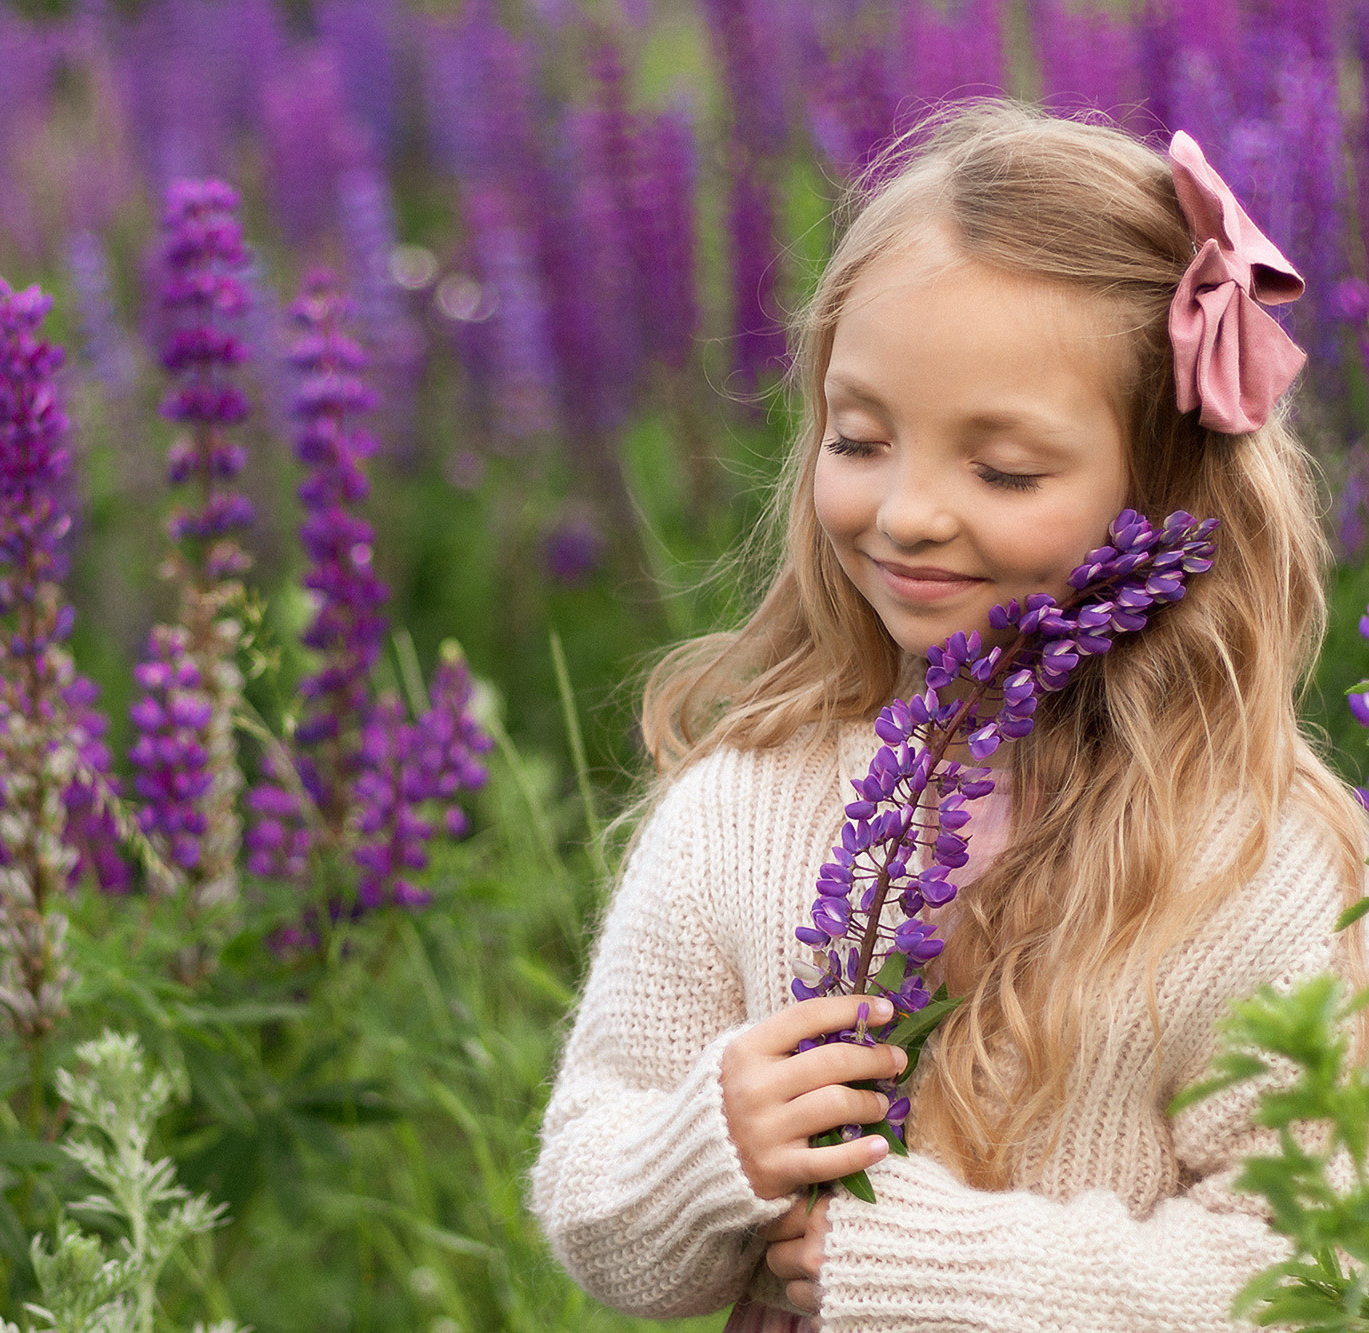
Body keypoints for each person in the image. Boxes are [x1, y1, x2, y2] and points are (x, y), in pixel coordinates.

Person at [528, 101, 1369, 1332]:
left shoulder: (1255, 864)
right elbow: (591, 1203)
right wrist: (710, 1146)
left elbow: (1308, 1267)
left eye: (1001, 470)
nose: (907, 513)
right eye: (858, 439)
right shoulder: (743, 806)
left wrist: (942, 1271)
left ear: (1162, 485)